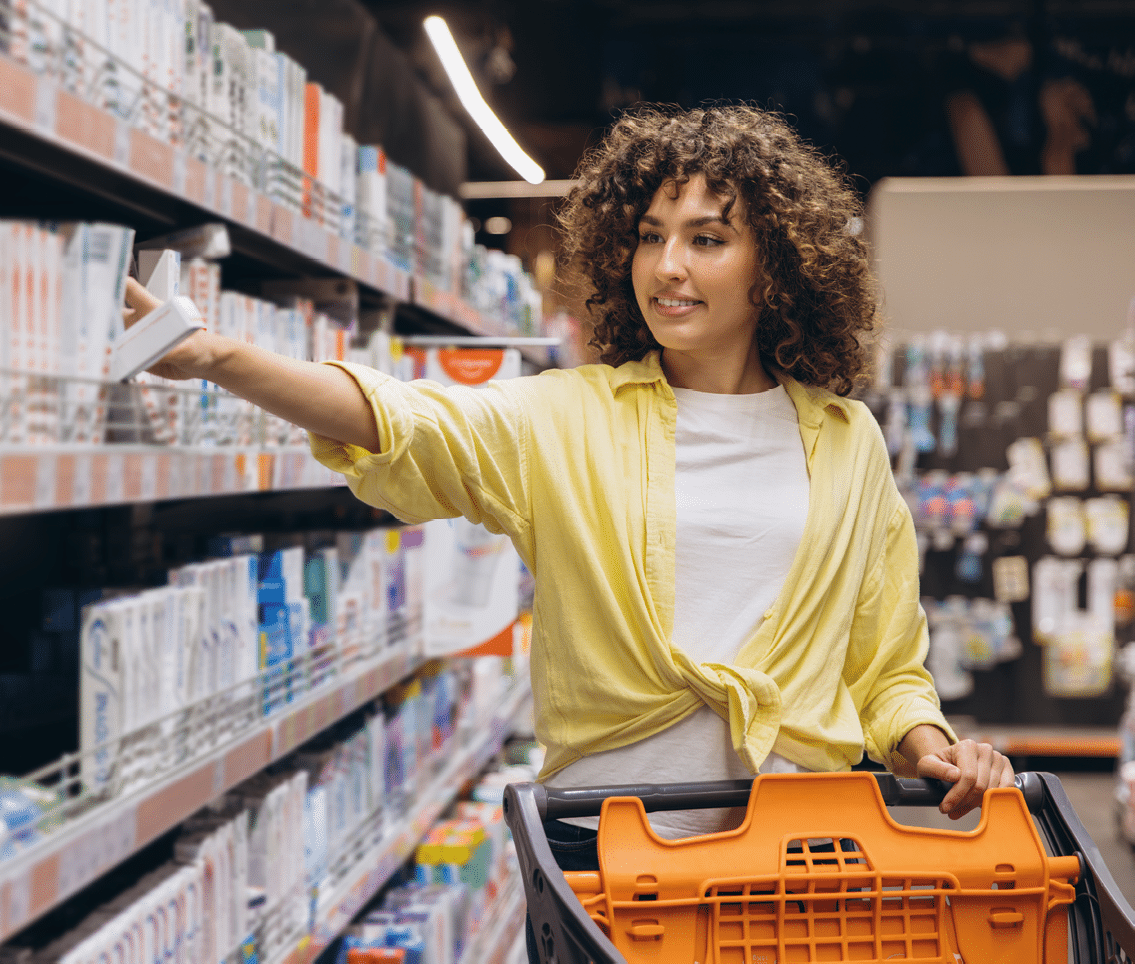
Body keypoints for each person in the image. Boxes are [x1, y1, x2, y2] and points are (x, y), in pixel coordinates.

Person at [125, 102, 1013, 845]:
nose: (668, 267)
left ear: (773, 265)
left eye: (707, 240)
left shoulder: (846, 440)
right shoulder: (568, 416)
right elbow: (401, 419)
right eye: (649, 237)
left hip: (795, 857)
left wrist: (934, 746)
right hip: (605, 851)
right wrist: (218, 355)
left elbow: (887, 667)